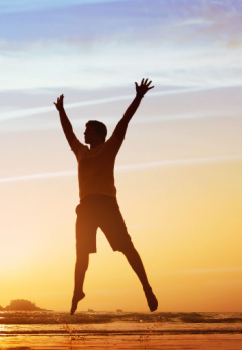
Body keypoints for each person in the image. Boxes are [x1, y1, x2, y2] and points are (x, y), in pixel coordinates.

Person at [53, 78, 158, 315]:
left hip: (107, 205)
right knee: (81, 254)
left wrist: (138, 97)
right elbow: (68, 132)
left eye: (88, 130)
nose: (84, 133)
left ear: (99, 134)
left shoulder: (110, 147)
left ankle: (147, 288)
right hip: (86, 207)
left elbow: (124, 122)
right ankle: (77, 291)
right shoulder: (80, 152)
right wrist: (61, 111)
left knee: (127, 248)